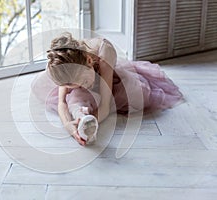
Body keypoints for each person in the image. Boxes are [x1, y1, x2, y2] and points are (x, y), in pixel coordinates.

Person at [31, 32, 184, 146]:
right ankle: (80, 114)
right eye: (72, 85)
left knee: (133, 93)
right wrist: (69, 126)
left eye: (83, 81)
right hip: (78, 74)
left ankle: (85, 117)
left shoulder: (104, 52)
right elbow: (61, 102)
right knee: (76, 97)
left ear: (89, 61)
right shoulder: (59, 70)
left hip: (107, 80)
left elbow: (105, 103)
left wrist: (93, 121)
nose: (83, 87)